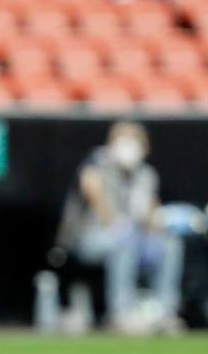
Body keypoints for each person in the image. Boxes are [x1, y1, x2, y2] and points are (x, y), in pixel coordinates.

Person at [57, 121, 183, 333]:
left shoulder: (146, 175)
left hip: (133, 237)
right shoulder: (97, 163)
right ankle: (121, 313)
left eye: (135, 141)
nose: (129, 146)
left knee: (170, 246)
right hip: (90, 238)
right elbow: (92, 191)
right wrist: (116, 223)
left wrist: (158, 227)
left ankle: (165, 311)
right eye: (123, 140)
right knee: (124, 243)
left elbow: (151, 212)